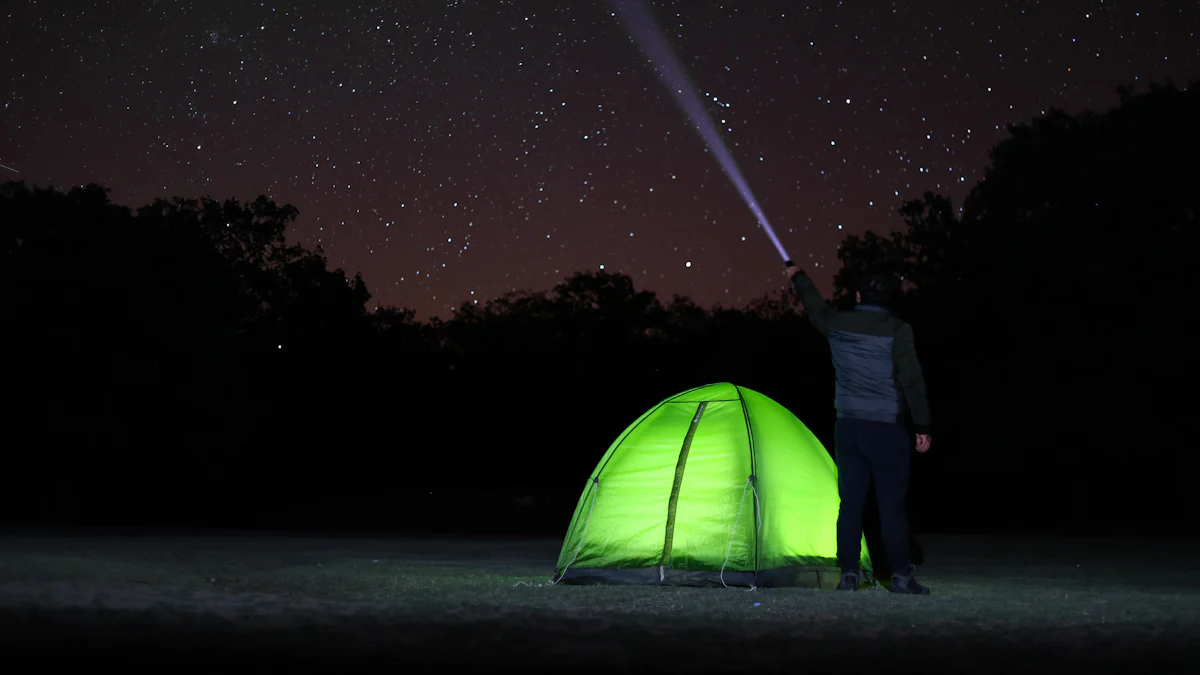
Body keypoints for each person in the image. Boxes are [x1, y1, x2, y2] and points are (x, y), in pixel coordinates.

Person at [785, 263, 932, 595]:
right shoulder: (898, 329)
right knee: (891, 506)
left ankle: (849, 574)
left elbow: (814, 304)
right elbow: (912, 380)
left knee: (850, 504)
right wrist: (922, 424)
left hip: (849, 427)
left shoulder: (838, 323)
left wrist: (798, 276)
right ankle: (901, 577)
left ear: (858, 295)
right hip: (888, 429)